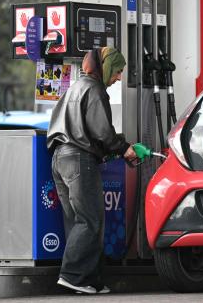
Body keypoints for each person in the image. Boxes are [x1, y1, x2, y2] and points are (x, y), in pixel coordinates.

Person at [47, 47, 137, 295]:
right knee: (91, 220)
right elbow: (101, 132)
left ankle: (90, 279)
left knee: (79, 221)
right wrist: (124, 148)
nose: (118, 77)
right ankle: (72, 275)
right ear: (105, 66)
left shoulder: (75, 87)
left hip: (59, 158)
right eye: (118, 71)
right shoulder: (95, 89)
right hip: (79, 159)